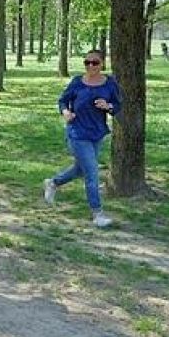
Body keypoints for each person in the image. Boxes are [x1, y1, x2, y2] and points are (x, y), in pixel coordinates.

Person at [43, 49, 122, 228]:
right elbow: (63, 100)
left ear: (102, 63)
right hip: (77, 133)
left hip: (97, 132)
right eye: (87, 62)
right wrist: (65, 112)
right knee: (92, 172)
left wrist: (108, 106)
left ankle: (53, 182)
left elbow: (117, 106)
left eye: (95, 62)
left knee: (81, 170)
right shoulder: (77, 82)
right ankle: (97, 213)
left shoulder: (110, 83)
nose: (91, 66)